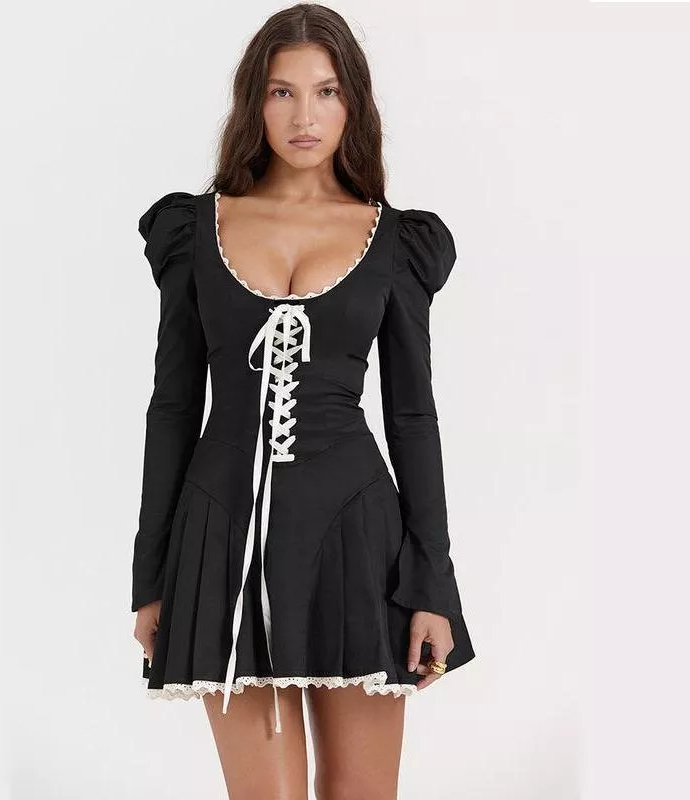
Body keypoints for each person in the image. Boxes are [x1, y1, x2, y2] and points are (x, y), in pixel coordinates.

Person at [131, 4, 475, 797]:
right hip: (222, 537)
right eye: (282, 92)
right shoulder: (195, 229)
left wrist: (433, 584)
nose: (304, 116)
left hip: (357, 538)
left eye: (325, 92)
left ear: (353, 102)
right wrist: (150, 576)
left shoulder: (394, 239)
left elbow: (413, 418)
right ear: (255, 102)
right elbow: (172, 407)